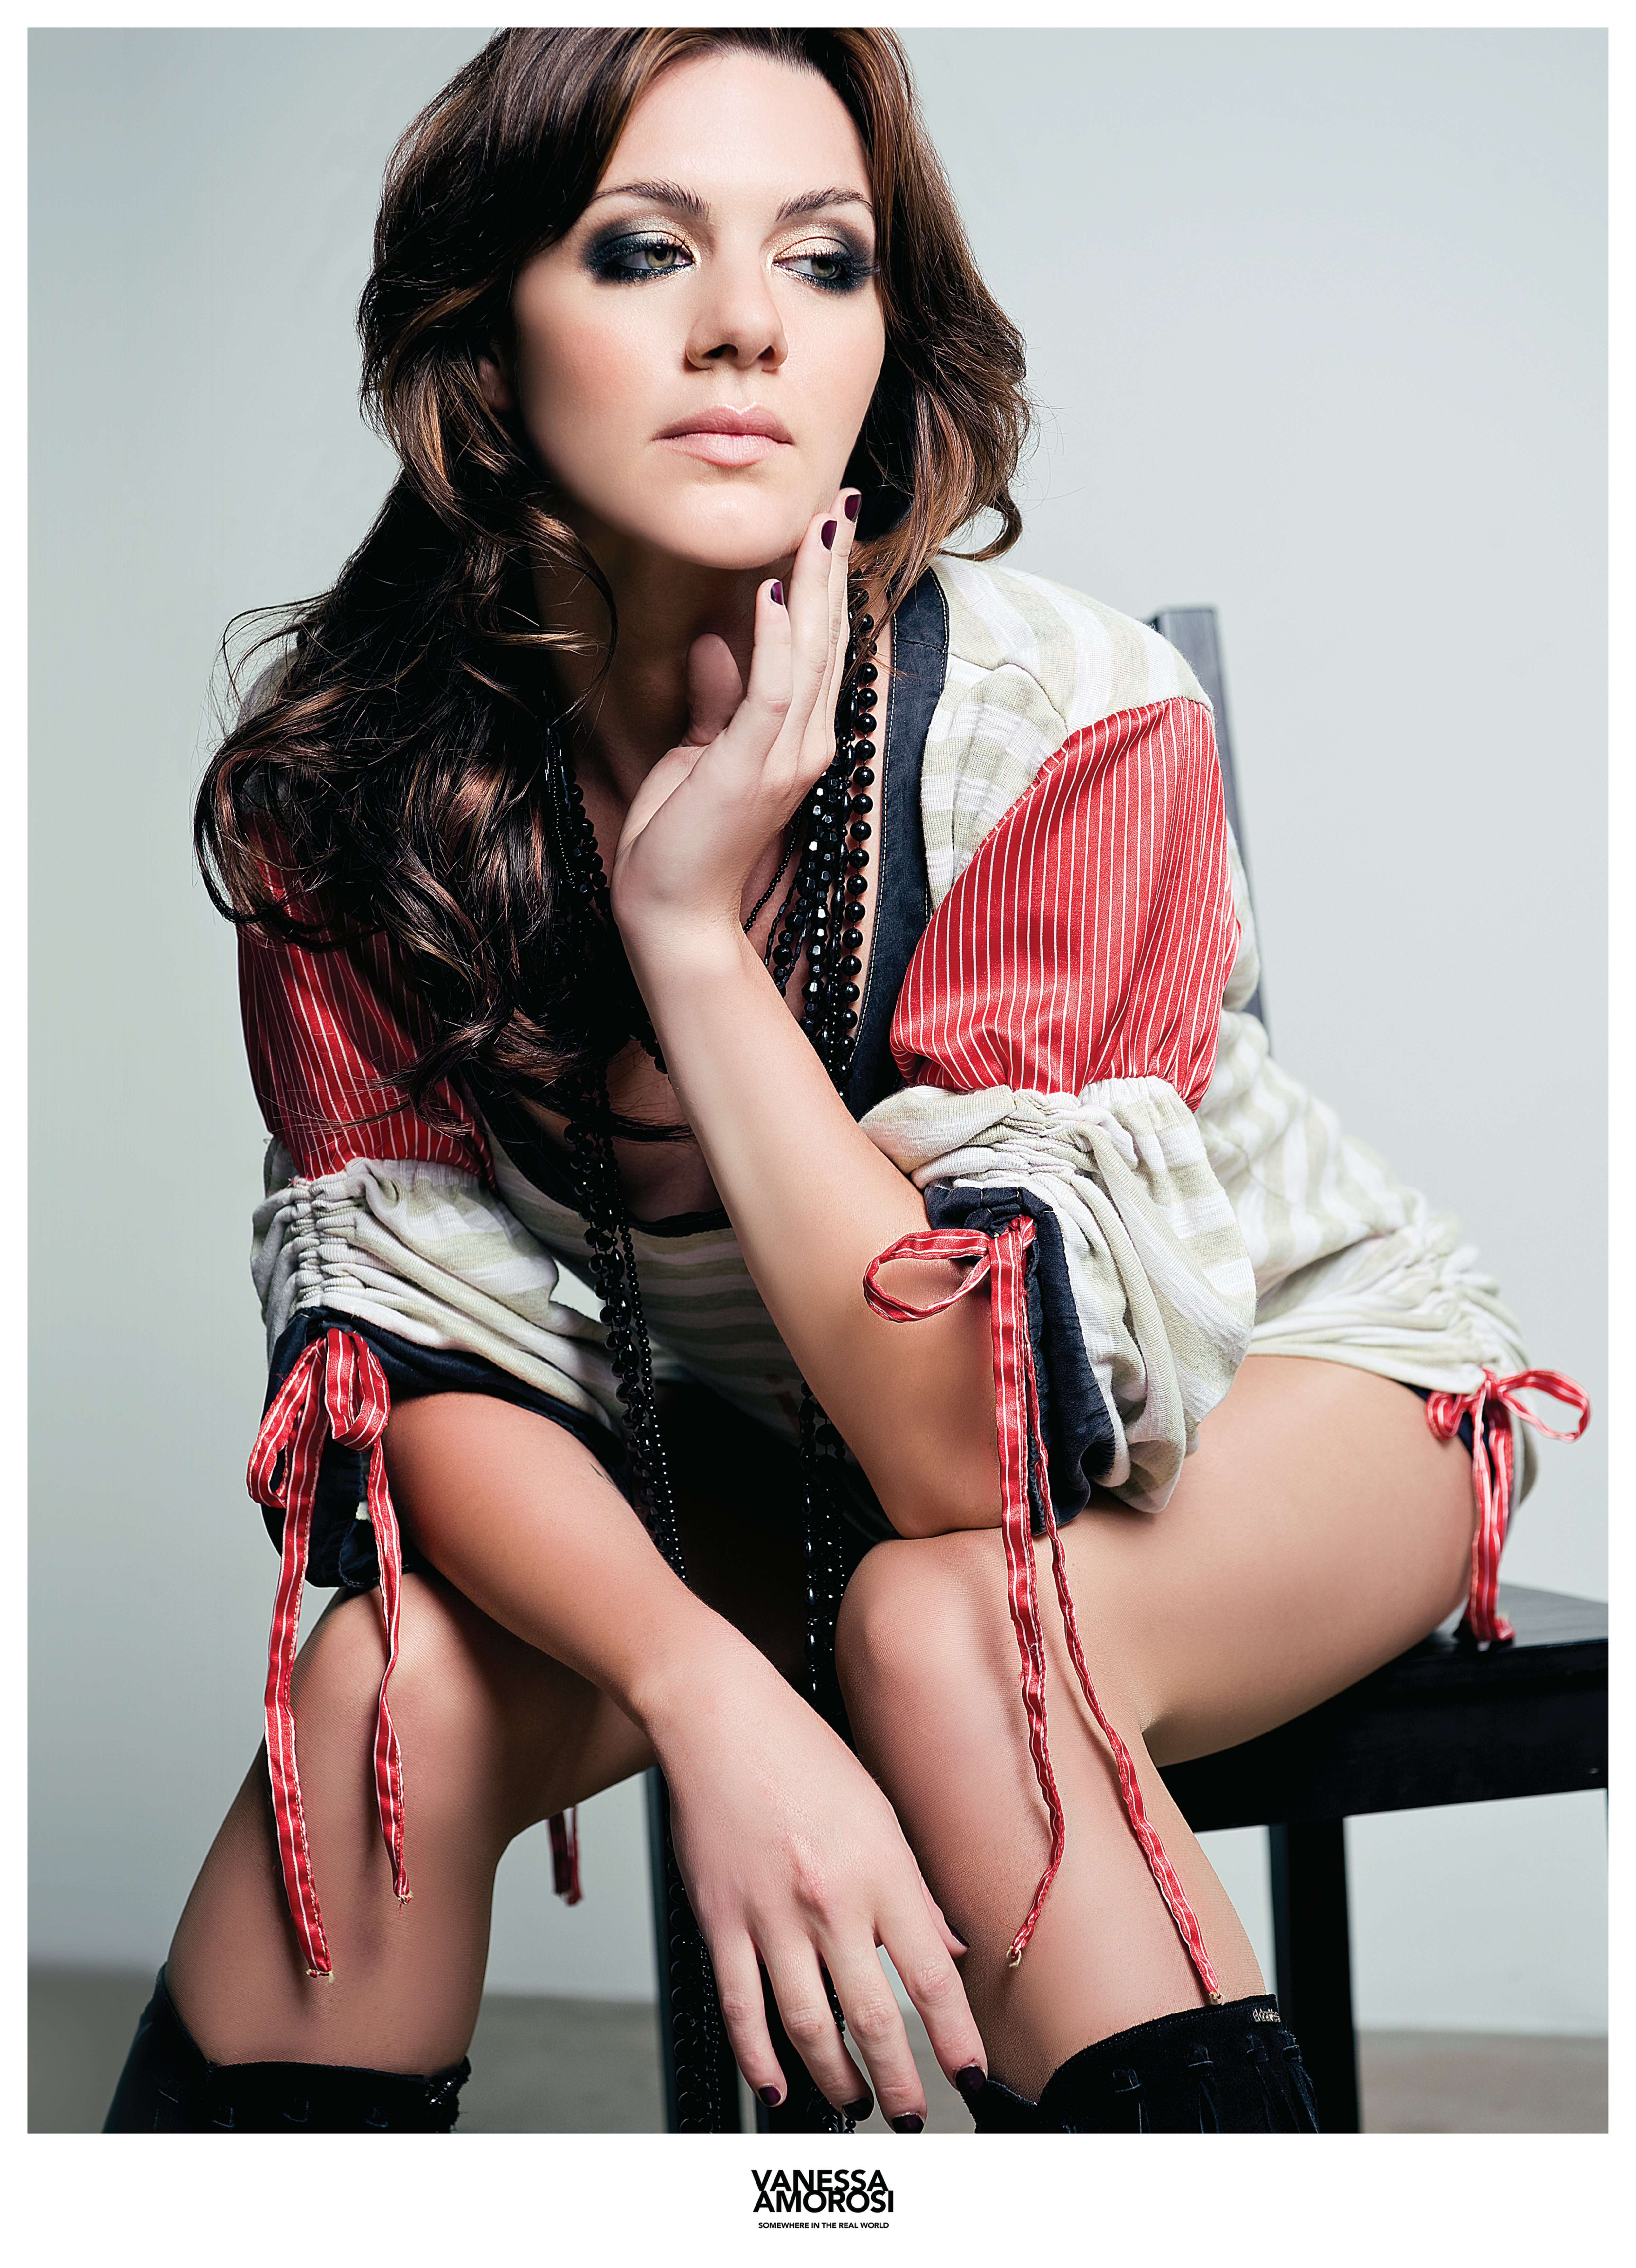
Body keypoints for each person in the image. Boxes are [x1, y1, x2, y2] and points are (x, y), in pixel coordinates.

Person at [104, 26, 1586, 2136]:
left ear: (887, 340)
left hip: (1275, 1385)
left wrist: (691, 938)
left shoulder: (1065, 717)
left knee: (951, 1628)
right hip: (744, 1430)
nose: (745, 326)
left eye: (823, 259)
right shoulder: (347, 793)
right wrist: (697, 1683)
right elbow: (418, 1361)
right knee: (382, 1690)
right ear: (483, 331)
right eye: (641, 250)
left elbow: (964, 1454)